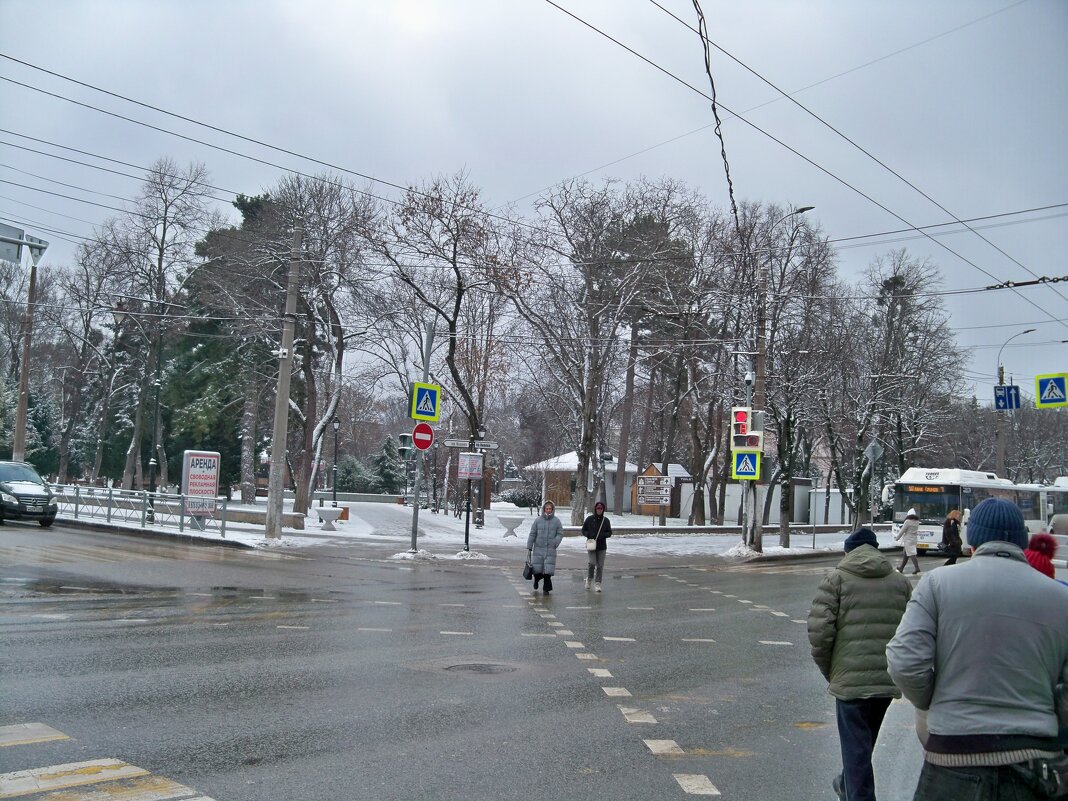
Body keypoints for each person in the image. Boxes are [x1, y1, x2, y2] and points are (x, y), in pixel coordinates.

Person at [886, 497, 1068, 801]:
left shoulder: (936, 584)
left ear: (973, 538)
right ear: (1022, 541)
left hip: (952, 759)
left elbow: (904, 661)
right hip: (1036, 763)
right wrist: (1050, 711)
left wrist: (933, 702)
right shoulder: (1059, 598)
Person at [808, 528, 912, 801]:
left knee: (856, 750)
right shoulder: (900, 583)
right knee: (861, 749)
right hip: (886, 680)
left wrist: (831, 671)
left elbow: (820, 635)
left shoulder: (836, 580)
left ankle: (855, 792)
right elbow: (912, 632)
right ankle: (845, 783)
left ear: (848, 551)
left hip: (850, 684)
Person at [527, 500, 564, 594]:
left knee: (548, 570)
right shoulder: (538, 520)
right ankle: (536, 579)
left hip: (550, 549)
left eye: (550, 509)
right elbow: (532, 533)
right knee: (537, 569)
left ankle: (546, 588)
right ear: (544, 509)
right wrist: (529, 546)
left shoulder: (556, 521)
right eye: (547, 508)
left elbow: (560, 533)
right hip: (539, 548)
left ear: (552, 509)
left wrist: (555, 542)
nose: (548, 510)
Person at [581, 501, 612, 592]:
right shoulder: (590, 519)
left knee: (600, 565)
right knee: (592, 563)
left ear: (603, 510)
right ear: (595, 509)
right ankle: (589, 579)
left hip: (602, 546)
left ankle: (598, 583)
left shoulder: (605, 521)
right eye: (598, 508)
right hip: (591, 544)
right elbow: (583, 530)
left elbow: (609, 532)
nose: (599, 510)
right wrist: (588, 534)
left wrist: (603, 535)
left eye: (601, 508)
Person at [895, 508, 921, 574]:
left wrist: (897, 538)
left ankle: (917, 568)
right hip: (914, 539)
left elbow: (902, 531)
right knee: (906, 554)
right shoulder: (917, 521)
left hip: (908, 539)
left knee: (912, 554)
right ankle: (901, 568)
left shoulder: (907, 521)